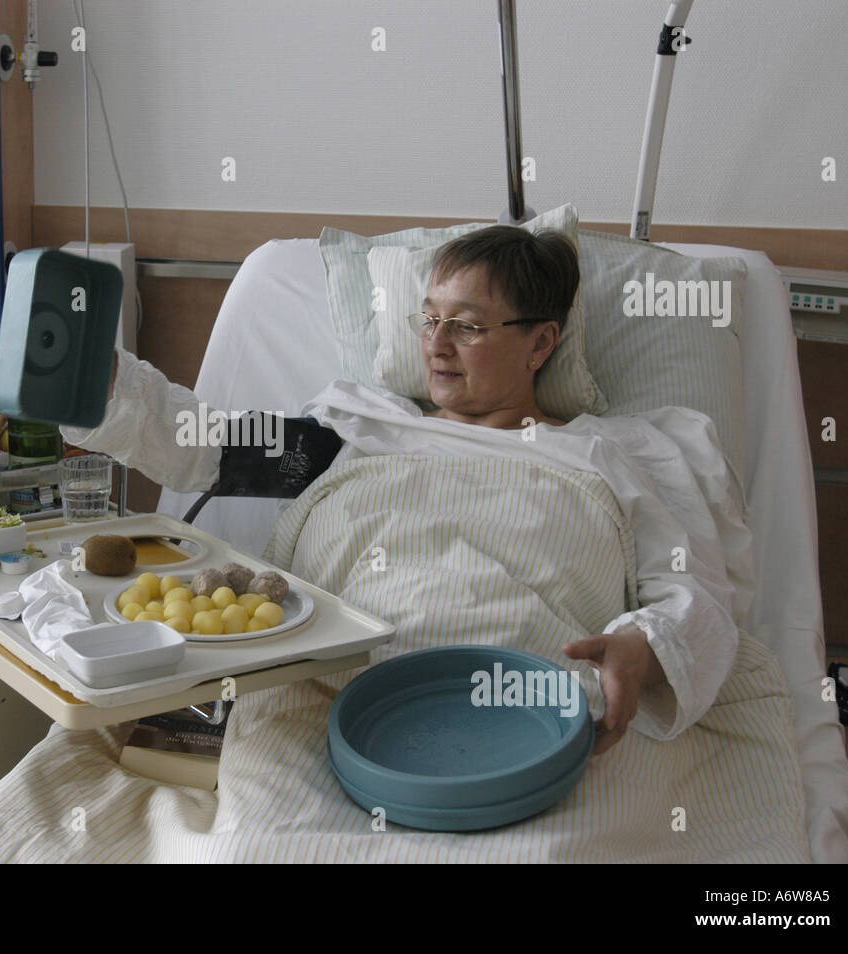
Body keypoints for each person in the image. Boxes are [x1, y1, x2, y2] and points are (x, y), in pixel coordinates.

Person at [83, 227, 676, 756]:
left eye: (466, 326)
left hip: (522, 693)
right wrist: (98, 378)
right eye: (428, 319)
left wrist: (643, 647)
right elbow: (210, 446)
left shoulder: (616, 456)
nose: (436, 344)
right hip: (329, 691)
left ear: (541, 344)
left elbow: (688, 590)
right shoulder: (354, 428)